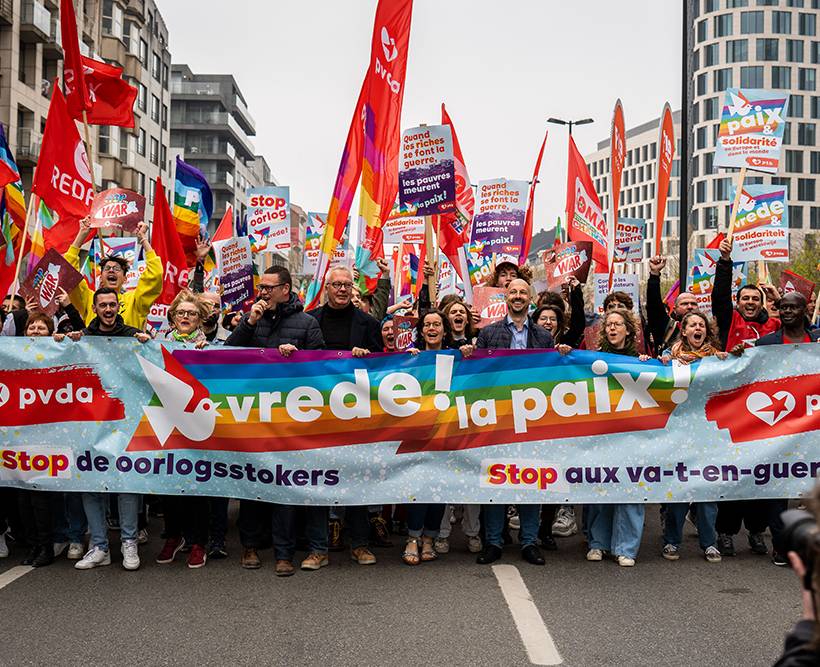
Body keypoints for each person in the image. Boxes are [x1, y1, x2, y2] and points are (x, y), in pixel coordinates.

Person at [226, 267, 327, 575]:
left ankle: (284, 553)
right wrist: (250, 321)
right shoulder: (251, 319)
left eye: (270, 288)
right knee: (253, 484)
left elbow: (321, 368)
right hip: (254, 415)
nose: (264, 293)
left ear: (286, 289)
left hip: (290, 419)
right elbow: (229, 355)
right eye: (261, 287)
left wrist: (296, 358)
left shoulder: (307, 323)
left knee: (283, 485)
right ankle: (251, 546)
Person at [63, 287, 150, 571]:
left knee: (125, 481)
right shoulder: (84, 338)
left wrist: (147, 344)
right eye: (103, 305)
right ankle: (99, 545)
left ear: (118, 307)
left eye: (113, 304)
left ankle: (128, 542)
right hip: (90, 423)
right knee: (90, 482)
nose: (108, 310)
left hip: (124, 423)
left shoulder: (132, 336)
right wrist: (61, 342)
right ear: (96, 308)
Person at [470, 278, 553, 566]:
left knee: (531, 479)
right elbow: (477, 378)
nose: (518, 297)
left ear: (530, 299)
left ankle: (529, 542)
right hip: (496, 419)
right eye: (513, 292)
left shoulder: (544, 337)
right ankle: (493, 542)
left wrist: (563, 356)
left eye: (523, 293)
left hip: (533, 420)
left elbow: (552, 379)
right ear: (506, 298)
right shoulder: (488, 334)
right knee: (495, 480)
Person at [308, 266, 382, 565]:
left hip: (355, 414)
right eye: (336, 284)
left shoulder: (368, 323)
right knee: (314, 481)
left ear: (353, 289)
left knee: (357, 478)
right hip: (315, 413)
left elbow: (383, 368)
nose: (341, 289)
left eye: (346, 285)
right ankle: (317, 549)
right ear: (327, 288)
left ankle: (360, 544)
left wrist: (368, 358)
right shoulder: (309, 320)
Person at [572, 308, 651, 567]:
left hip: (632, 437)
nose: (613, 328)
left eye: (618, 324)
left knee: (630, 491)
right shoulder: (593, 360)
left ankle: (625, 547)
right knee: (601, 488)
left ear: (629, 330)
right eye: (609, 325)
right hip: (603, 436)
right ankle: (598, 543)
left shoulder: (641, 361)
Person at [660, 311, 734, 564]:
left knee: (706, 492)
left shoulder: (716, 358)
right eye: (692, 324)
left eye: (701, 325)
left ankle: (709, 542)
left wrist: (730, 361)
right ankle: (671, 540)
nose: (697, 328)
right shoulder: (670, 358)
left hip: (707, 434)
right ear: (684, 330)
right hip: (678, 432)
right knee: (679, 492)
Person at [755, 292, 820, 566]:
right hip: (778, 429)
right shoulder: (765, 343)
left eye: (793, 307)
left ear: (805, 309)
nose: (787, 312)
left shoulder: (817, 341)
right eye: (783, 308)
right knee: (779, 489)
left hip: (813, 429)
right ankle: (781, 546)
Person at [155, 291, 211, 569]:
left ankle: (199, 541)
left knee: (198, 486)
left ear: (200, 318)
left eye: (191, 313)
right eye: (181, 313)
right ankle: (173, 535)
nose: (185, 317)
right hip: (168, 422)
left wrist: (208, 355)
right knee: (170, 484)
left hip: (199, 424)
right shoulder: (157, 344)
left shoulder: (212, 346)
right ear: (172, 317)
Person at [15, 312, 59, 567]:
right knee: (22, 493)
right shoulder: (15, 354)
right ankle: (33, 544)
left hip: (46, 433)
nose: (36, 330)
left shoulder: (57, 353)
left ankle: (46, 546)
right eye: (32, 327)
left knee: (39, 493)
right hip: (19, 432)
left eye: (42, 327)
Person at [66, 218, 163, 329]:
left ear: (125, 278)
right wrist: (81, 235)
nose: (111, 270)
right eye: (107, 268)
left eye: (117, 269)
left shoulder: (135, 301)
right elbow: (69, 275)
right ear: (100, 277)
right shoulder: (90, 299)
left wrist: (143, 239)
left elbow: (155, 274)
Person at [713, 237, 781, 351]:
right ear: (738, 303)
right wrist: (725, 260)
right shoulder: (729, 320)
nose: (750, 301)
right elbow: (721, 295)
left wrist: (779, 301)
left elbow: (800, 326)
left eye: (755, 299)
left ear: (761, 304)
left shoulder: (775, 324)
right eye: (745, 298)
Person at [646, 255, 700, 352]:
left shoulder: (706, 330)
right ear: (674, 309)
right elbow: (654, 306)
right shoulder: (666, 327)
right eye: (684, 304)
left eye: (693, 304)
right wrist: (654, 273)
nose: (690, 306)